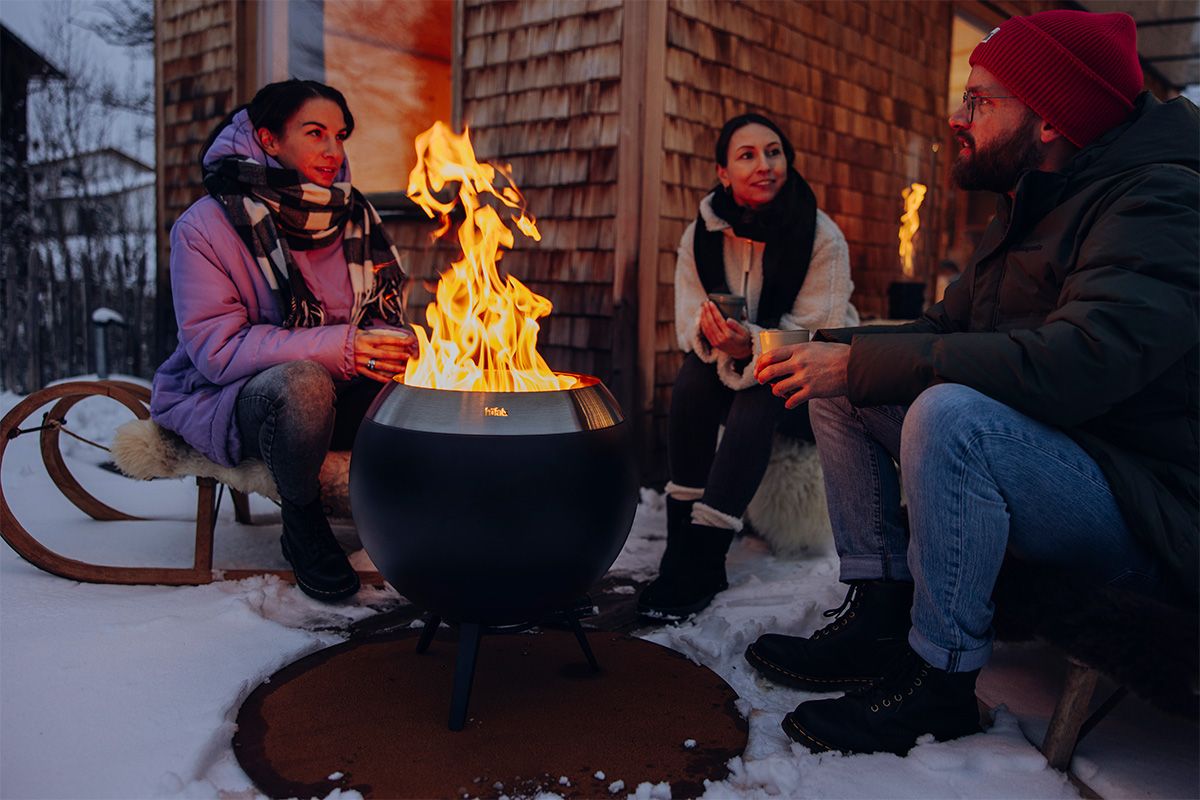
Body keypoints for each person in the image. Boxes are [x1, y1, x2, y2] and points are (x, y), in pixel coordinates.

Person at [744, 10, 1198, 756]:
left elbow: (1079, 365)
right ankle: (880, 617)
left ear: (1049, 119)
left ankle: (941, 680)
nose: (958, 117)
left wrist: (861, 361)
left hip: (1143, 505)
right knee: (839, 381)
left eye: (979, 100)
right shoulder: (1037, 198)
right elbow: (948, 330)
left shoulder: (1158, 202)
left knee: (952, 419)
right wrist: (828, 348)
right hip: (1066, 457)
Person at [151, 80, 415, 603]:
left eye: (339, 136)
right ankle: (303, 520)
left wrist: (391, 344)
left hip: (341, 385)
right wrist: (342, 345)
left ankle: (422, 515)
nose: (332, 151)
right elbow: (217, 351)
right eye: (314, 133)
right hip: (237, 399)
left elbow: (382, 311)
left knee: (417, 388)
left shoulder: (356, 215)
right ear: (269, 140)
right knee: (303, 382)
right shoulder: (207, 226)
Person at [637, 113, 859, 621]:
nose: (765, 165)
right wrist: (723, 340)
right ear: (723, 173)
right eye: (748, 155)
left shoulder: (821, 236)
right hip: (734, 364)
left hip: (815, 380)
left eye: (774, 152)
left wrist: (751, 347)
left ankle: (706, 556)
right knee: (693, 380)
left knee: (761, 388)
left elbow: (816, 334)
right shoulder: (701, 234)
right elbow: (689, 321)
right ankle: (682, 545)